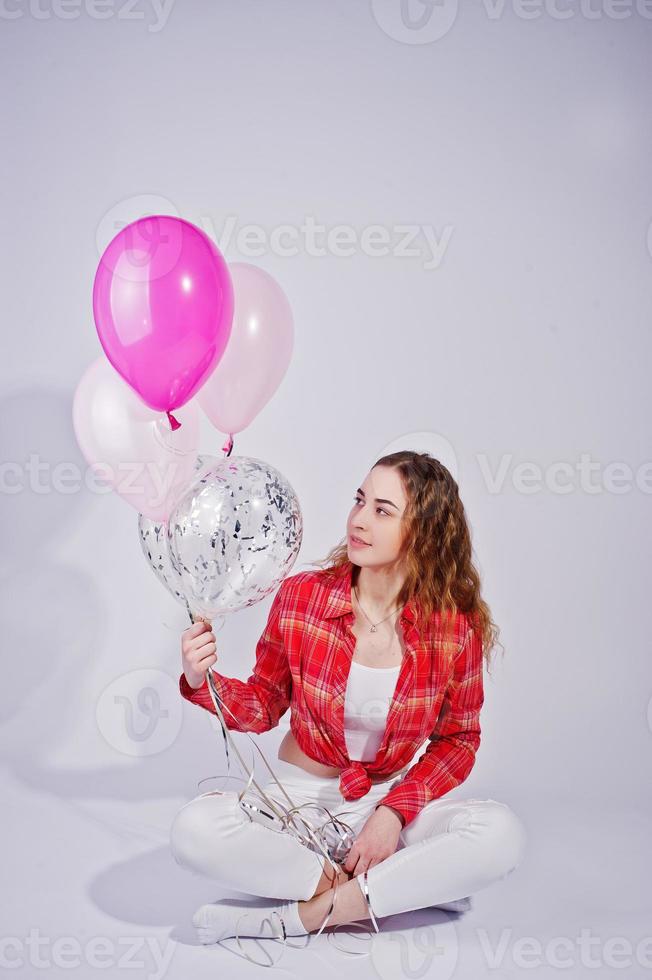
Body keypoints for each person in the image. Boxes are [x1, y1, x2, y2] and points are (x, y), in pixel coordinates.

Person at [170, 451, 527, 953]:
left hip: (384, 806)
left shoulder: (452, 628)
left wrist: (393, 815)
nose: (358, 519)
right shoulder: (302, 597)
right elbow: (264, 704)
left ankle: (293, 920)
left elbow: (459, 739)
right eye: (360, 500)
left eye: (383, 510)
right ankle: (389, 890)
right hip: (294, 806)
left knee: (500, 835)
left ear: (422, 532)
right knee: (194, 831)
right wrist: (200, 678)